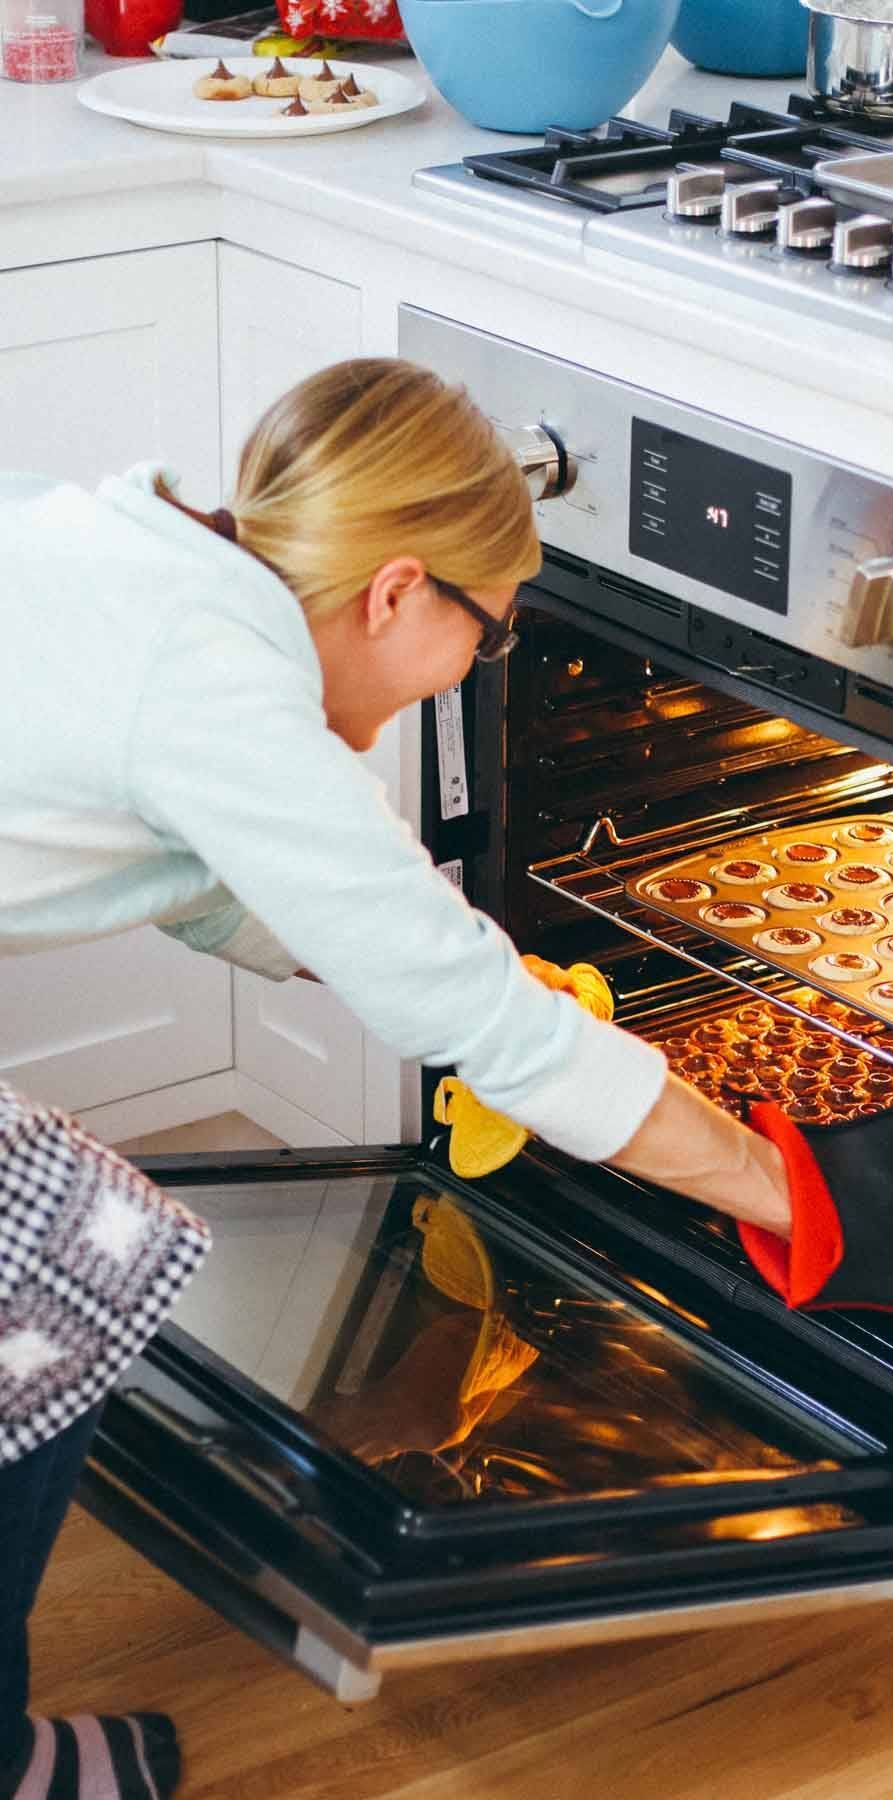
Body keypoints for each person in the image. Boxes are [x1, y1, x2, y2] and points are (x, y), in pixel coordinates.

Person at [0, 358, 791, 1799]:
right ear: (398, 590)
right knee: (57, 1263)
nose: (474, 673)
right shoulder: (219, 684)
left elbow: (203, 863)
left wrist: (426, 950)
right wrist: (782, 1185)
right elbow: (472, 1017)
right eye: (484, 643)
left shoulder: (150, 550)